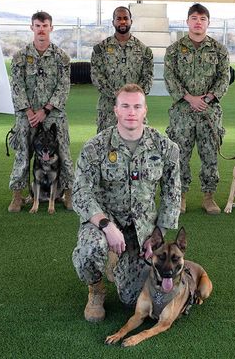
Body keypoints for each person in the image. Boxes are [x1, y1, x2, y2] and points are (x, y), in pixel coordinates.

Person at [72, 84, 180, 322]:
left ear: (145, 111)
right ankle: (96, 289)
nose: (131, 111)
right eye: (125, 106)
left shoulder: (165, 147)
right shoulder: (96, 147)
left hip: (142, 233)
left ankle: (117, 265)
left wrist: (158, 237)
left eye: (137, 106)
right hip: (104, 223)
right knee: (90, 250)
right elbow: (80, 191)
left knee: (131, 299)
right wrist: (106, 226)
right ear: (116, 110)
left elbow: (173, 195)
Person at [164, 3, 230, 215]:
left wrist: (209, 97)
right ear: (187, 22)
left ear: (208, 23)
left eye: (202, 19)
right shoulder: (174, 50)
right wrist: (189, 98)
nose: (198, 22)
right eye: (194, 18)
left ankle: (208, 197)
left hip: (208, 113)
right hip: (182, 112)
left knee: (209, 156)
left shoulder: (219, 50)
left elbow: (224, 78)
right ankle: (181, 196)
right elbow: (170, 78)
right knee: (179, 155)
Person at [7, 11, 75, 212]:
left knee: (63, 151)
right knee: (23, 153)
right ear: (32, 28)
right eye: (38, 26)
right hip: (26, 115)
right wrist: (29, 111)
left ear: (51, 28)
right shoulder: (20, 57)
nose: (41, 30)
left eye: (45, 26)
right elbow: (17, 86)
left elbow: (64, 87)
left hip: (53, 113)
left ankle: (68, 192)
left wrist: (45, 110)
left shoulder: (61, 57)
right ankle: (18, 195)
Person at [91, 6, 154, 132]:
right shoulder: (101, 49)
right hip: (109, 108)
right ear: (113, 22)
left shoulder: (143, 51)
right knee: (107, 148)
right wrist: (118, 96)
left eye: (126, 18)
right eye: (118, 18)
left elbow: (148, 78)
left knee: (136, 147)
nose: (122, 21)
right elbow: (97, 77)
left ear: (131, 21)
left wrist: (132, 98)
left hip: (135, 110)